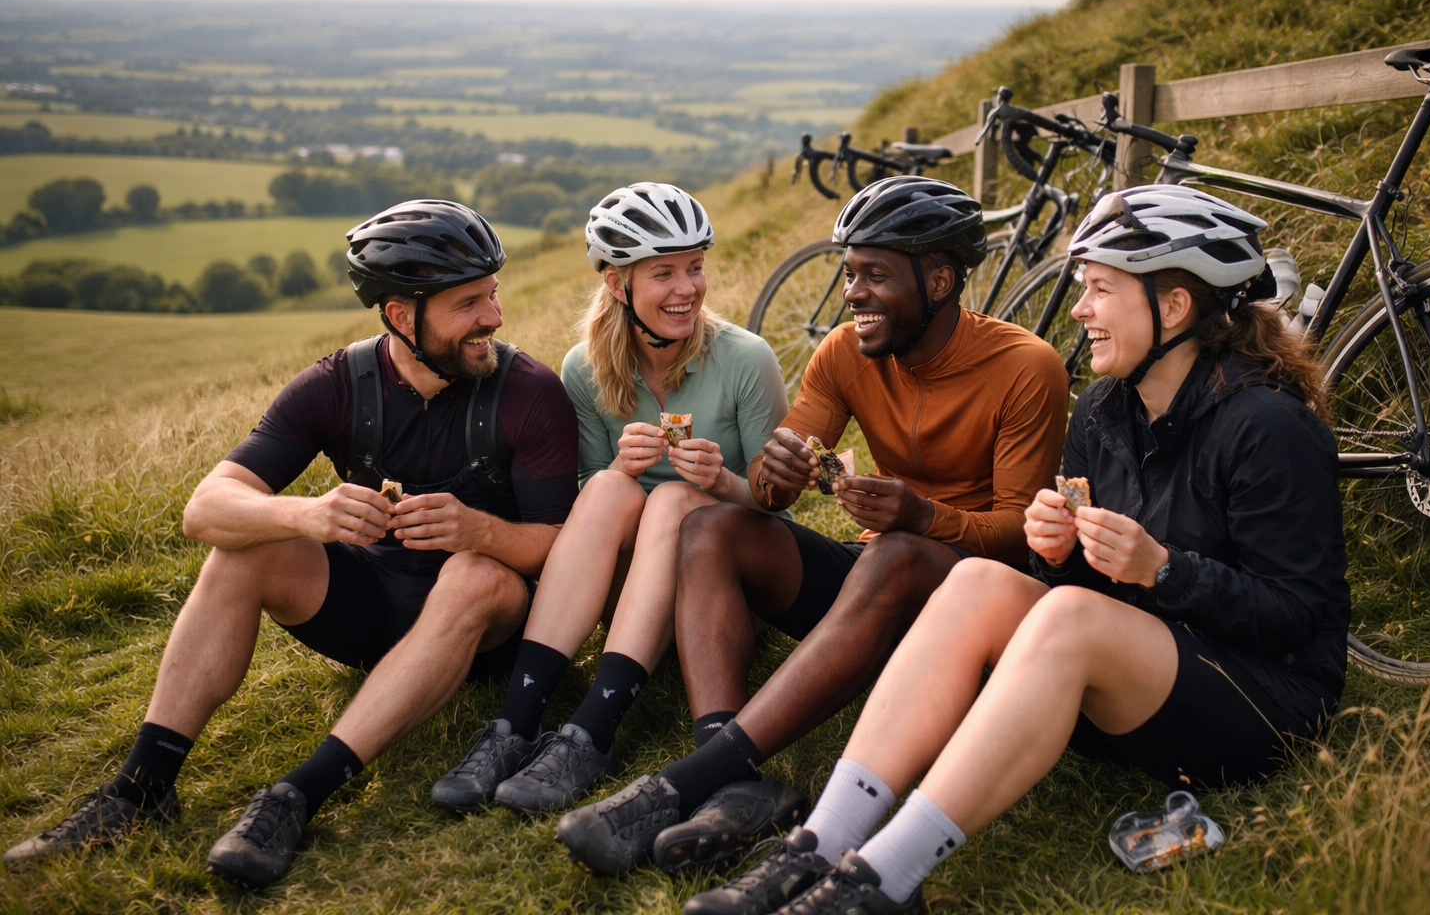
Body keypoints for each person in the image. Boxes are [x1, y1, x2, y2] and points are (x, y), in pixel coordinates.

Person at [685, 183, 1351, 915]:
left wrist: (1163, 570)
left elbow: (1296, 617)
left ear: (1173, 307)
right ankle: (816, 843)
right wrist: (1055, 550)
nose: (1080, 310)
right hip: (1135, 682)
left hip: (1262, 703)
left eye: (1099, 290)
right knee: (976, 585)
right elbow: (1075, 586)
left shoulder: (1268, 426)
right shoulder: (1104, 409)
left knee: (1067, 616)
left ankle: (877, 881)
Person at [2, 200, 580, 889]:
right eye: (467, 303)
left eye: (492, 294)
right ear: (401, 315)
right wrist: (308, 516)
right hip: (371, 610)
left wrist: (481, 532)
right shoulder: (337, 384)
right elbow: (205, 509)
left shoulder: (529, 393)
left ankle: (297, 795)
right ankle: (140, 790)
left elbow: (562, 550)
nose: (493, 317)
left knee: (478, 575)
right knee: (245, 547)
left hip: (489, 630)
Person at [556, 175, 1071, 877]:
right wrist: (778, 468)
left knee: (895, 553)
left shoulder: (1026, 367)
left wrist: (927, 517)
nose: (853, 294)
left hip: (969, 606)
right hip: (874, 586)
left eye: (875, 276)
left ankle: (694, 778)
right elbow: (768, 492)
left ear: (942, 279)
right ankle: (737, 787)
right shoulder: (844, 352)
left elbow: (1024, 536)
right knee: (710, 528)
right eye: (850, 272)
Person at [429, 182, 793, 817]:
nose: (689, 287)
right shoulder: (585, 368)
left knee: (676, 499)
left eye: (695, 267)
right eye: (664, 273)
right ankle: (514, 726)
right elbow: (584, 514)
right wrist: (615, 468)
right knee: (604, 486)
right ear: (618, 285)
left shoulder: (746, 358)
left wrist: (722, 483)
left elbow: (778, 507)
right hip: (630, 590)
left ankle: (593, 730)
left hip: (731, 587)